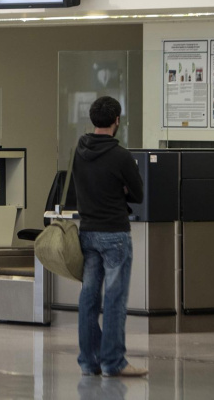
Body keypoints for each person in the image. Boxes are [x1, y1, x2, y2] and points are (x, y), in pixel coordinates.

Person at [72, 96, 146, 378]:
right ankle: (114, 362)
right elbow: (138, 194)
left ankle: (88, 362)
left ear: (93, 120)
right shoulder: (121, 156)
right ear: (117, 121)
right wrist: (122, 190)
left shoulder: (78, 150)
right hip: (115, 234)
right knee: (114, 300)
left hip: (87, 232)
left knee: (88, 299)